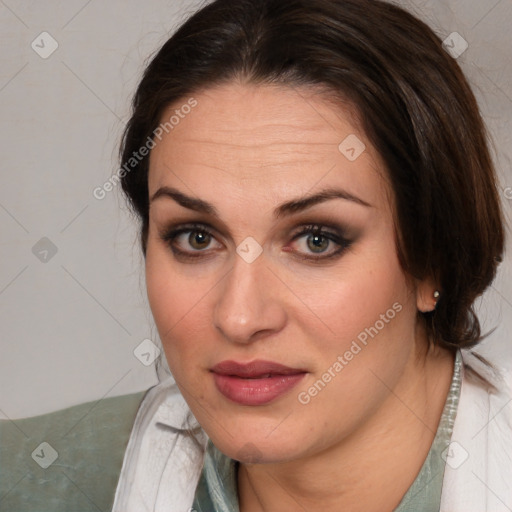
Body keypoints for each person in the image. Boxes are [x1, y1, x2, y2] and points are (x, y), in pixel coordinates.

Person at [1, 0, 510, 511]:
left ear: (434, 258)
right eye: (196, 237)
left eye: (316, 240)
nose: (239, 318)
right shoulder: (28, 482)